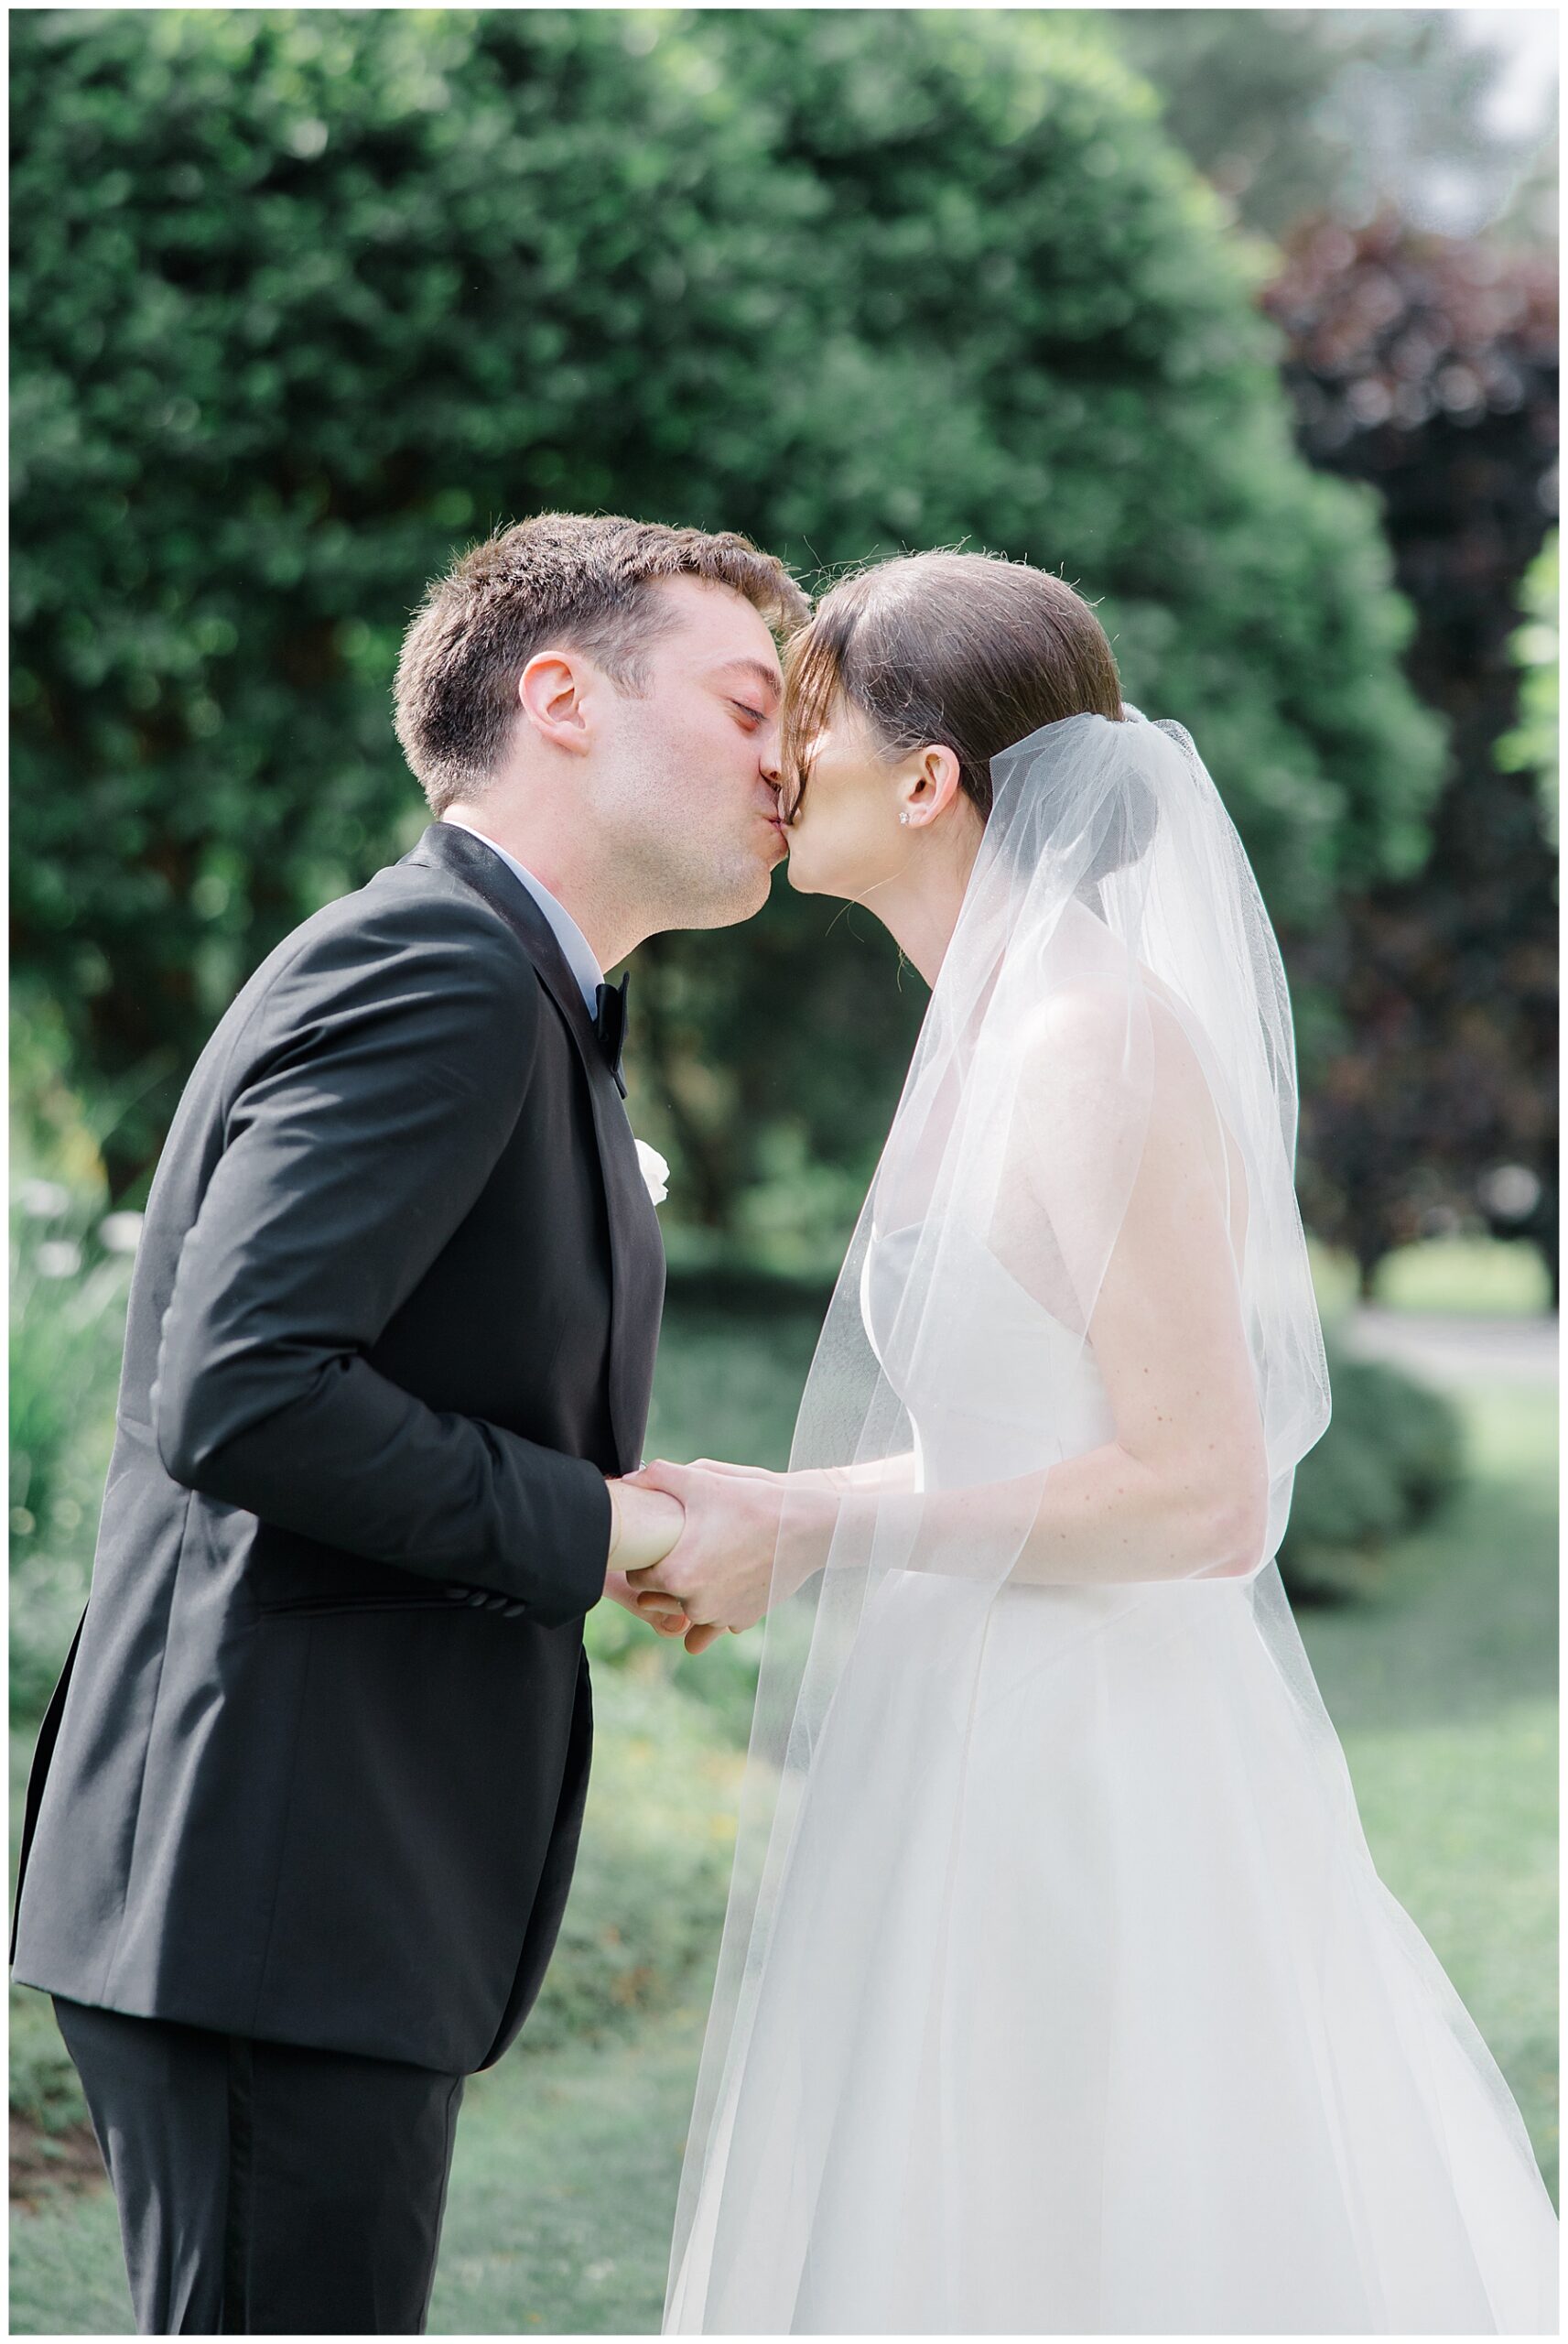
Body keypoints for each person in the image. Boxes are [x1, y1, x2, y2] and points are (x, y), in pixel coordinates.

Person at [624, 550, 1561, 2334]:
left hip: (1080, 1755)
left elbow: (1202, 1494)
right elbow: (1011, 1430)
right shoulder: (977, 1024)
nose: (770, 769)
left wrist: (843, 1529)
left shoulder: (1088, 1045)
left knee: (1073, 2223)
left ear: (923, 779)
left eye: (802, 728)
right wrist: (795, 1505)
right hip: (956, 1708)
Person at [9, 511, 808, 2335]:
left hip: (305, 1878)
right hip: (271, 1879)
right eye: (749, 698)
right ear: (561, 698)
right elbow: (242, 1385)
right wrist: (615, 1525)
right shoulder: (438, 974)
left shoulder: (507, 986)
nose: (787, 757)